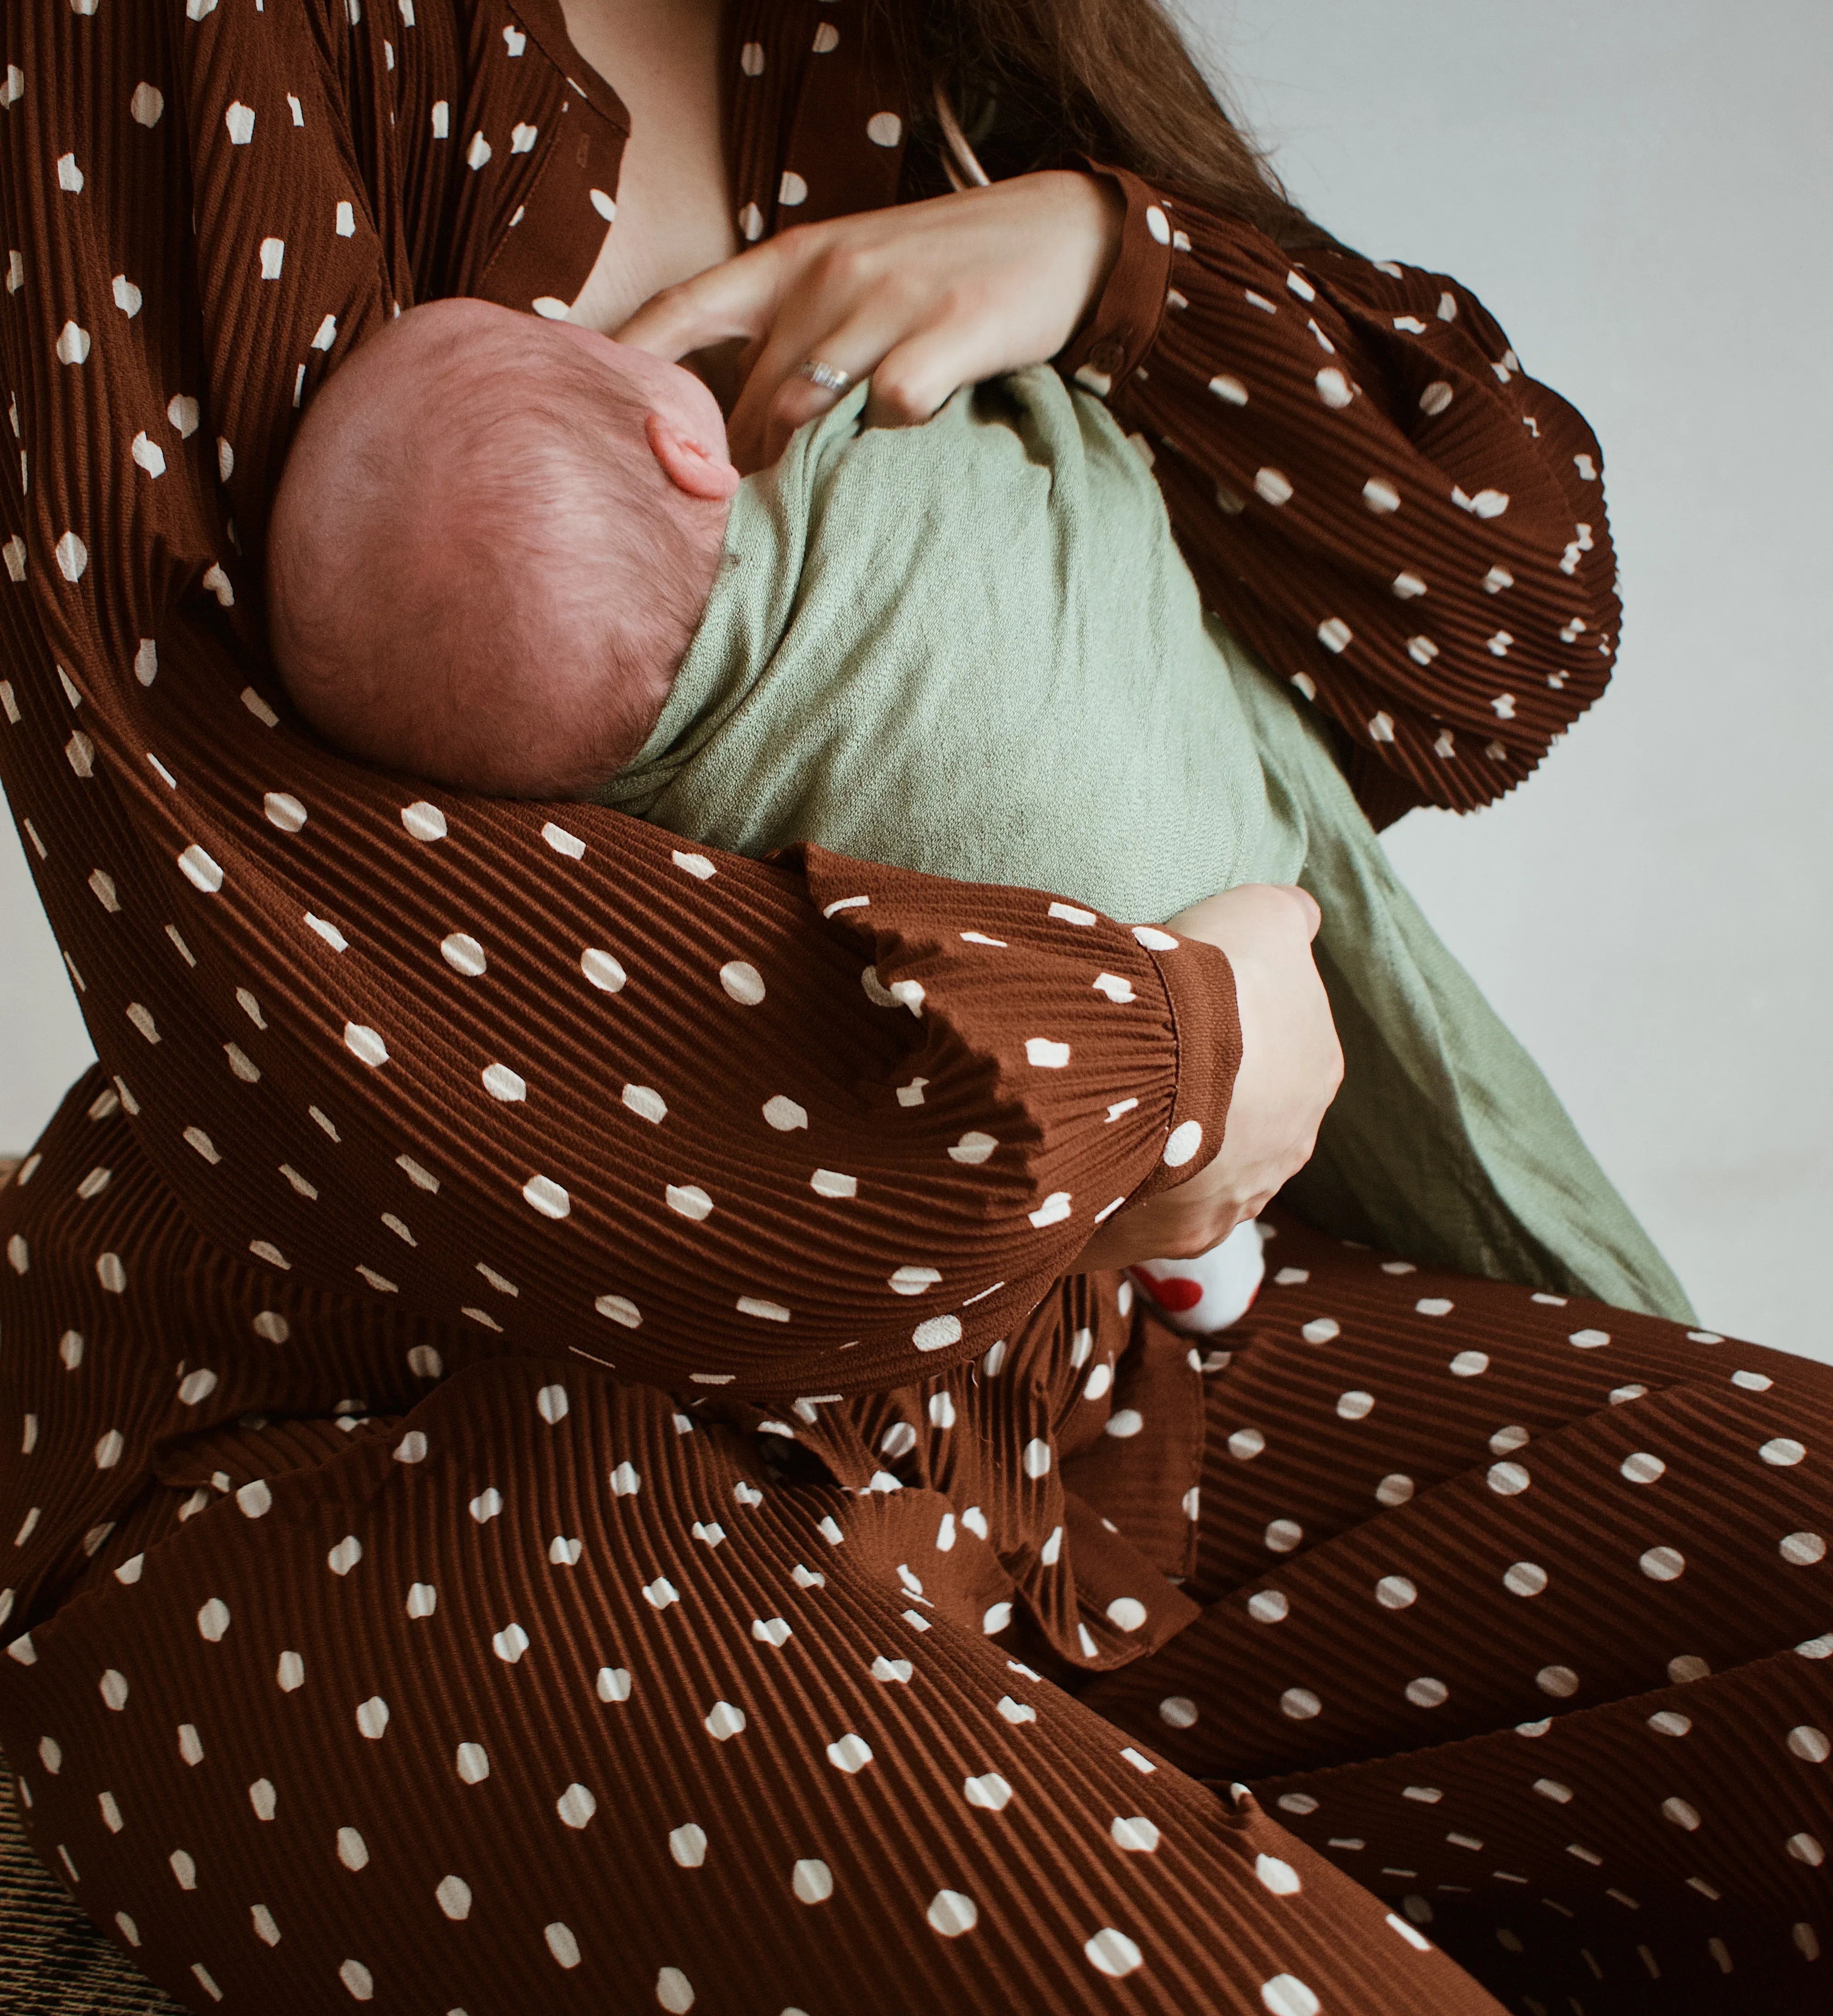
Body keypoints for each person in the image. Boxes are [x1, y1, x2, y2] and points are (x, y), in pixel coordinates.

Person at [0, 8, 1824, 2016]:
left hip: (1090, 1382)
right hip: (394, 1440)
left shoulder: (943, 38)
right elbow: (298, 953)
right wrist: (1162, 1053)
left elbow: (1495, 647)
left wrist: (1118, 267)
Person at [265, 302, 1683, 1319]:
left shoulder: (643, 824)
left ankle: (1202, 1263)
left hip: (1126, 1070)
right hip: (1248, 845)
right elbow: (1076, 454)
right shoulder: (858, 461)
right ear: (693, 454)